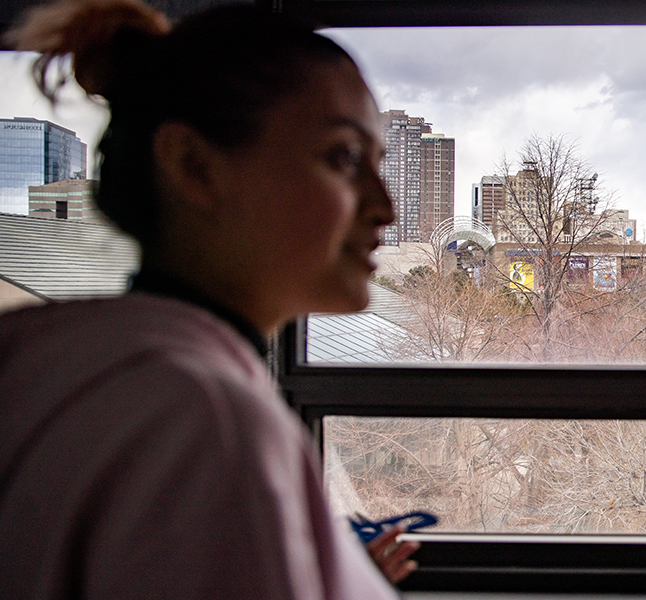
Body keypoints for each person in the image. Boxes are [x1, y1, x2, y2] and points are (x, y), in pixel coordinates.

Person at [0, 0, 419, 596]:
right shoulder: (209, 420)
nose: (386, 209)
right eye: (343, 158)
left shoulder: (57, 365)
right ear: (193, 166)